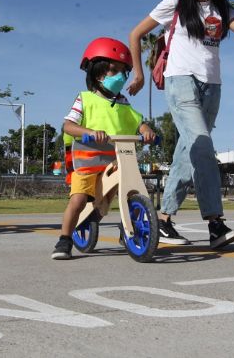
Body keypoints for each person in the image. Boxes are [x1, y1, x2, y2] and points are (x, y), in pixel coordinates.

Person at [127, 0, 234, 249]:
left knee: (188, 152)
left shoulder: (223, 9)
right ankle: (215, 223)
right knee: (202, 144)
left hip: (212, 85)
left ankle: (162, 220)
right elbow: (135, 34)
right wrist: (138, 73)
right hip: (180, 81)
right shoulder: (175, 3)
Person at [51, 37, 156, 260]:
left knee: (110, 202)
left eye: (123, 71)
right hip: (87, 163)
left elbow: (138, 121)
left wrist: (146, 130)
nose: (120, 76)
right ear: (97, 74)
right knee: (78, 201)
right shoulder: (85, 99)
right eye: (113, 71)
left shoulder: (124, 103)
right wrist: (88, 132)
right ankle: (64, 240)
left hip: (115, 162)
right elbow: (68, 125)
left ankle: (127, 229)